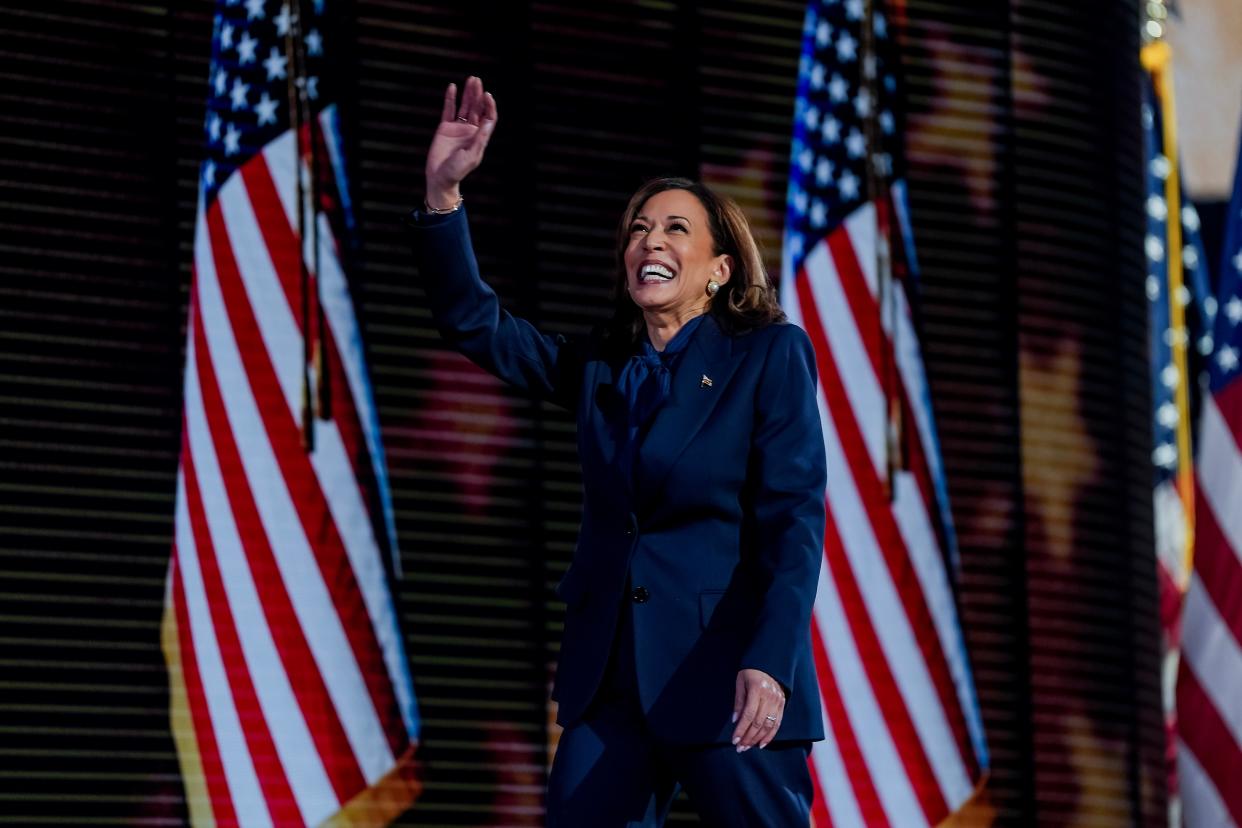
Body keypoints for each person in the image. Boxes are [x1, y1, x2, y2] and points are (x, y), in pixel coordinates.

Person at [406, 76, 827, 827]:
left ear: (719, 269)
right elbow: (474, 323)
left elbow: (794, 522)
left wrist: (770, 659)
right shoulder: (602, 366)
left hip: (726, 673)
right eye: (638, 228)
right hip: (611, 685)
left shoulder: (768, 356)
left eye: (673, 229)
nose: (649, 241)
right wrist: (443, 197)